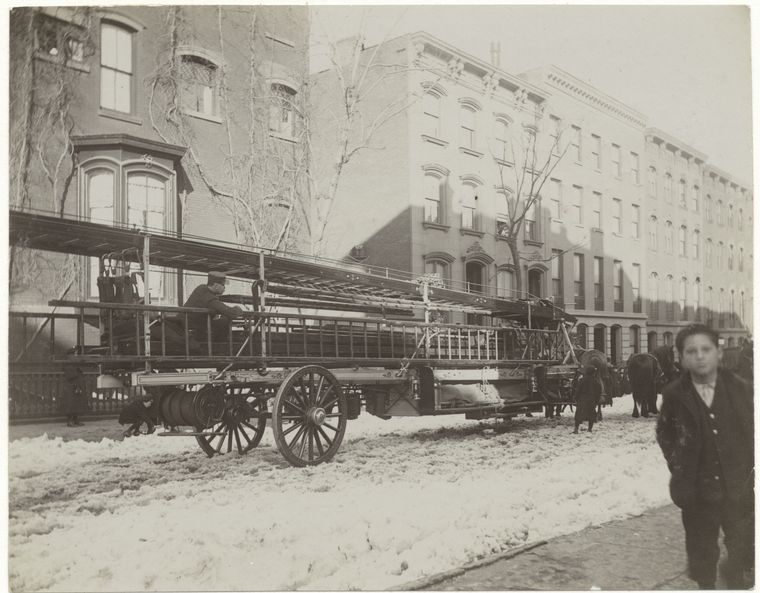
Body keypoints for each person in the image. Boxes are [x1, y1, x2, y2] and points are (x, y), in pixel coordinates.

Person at [656, 324, 754, 590]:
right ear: (682, 358)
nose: (700, 356)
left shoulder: (739, 388)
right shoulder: (674, 394)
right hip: (698, 490)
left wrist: (748, 469)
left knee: (743, 548)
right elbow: (665, 434)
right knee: (702, 552)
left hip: (738, 487)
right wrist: (681, 466)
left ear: (718, 353)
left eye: (706, 349)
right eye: (692, 351)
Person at [183, 272, 244, 344]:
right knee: (224, 319)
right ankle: (220, 345)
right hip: (193, 329)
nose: (224, 288)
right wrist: (238, 308)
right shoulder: (210, 297)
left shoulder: (201, 288)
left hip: (187, 326)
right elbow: (230, 312)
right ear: (216, 285)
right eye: (223, 285)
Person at [573, 365, 601, 433]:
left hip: (582, 399)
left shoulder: (582, 380)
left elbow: (578, 390)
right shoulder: (595, 381)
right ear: (593, 373)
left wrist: (576, 398)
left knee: (579, 414)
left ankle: (576, 429)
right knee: (591, 415)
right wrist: (596, 400)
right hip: (591, 399)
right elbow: (598, 391)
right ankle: (589, 429)